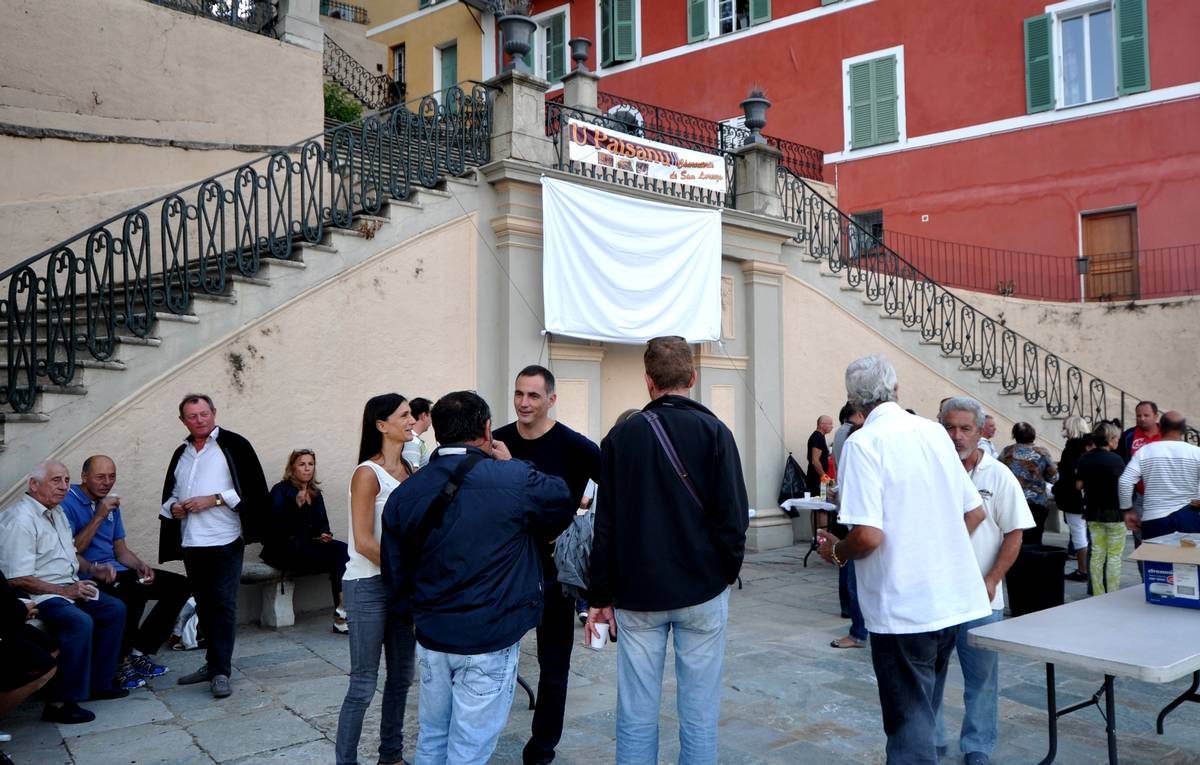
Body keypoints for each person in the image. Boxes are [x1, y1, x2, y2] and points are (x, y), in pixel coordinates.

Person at [381, 390, 575, 765]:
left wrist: (416, 616)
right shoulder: (514, 477)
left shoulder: (406, 493)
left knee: (433, 738)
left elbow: (395, 571)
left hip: (435, 635)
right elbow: (561, 498)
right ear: (487, 429)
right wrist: (512, 460)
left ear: (438, 433)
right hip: (489, 635)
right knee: (469, 749)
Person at [817, 355, 991, 765]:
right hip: (949, 598)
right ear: (896, 390)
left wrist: (837, 552)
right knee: (924, 708)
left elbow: (868, 535)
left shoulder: (864, 443)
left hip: (904, 607)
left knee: (908, 722)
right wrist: (934, 547)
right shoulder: (933, 433)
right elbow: (974, 512)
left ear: (854, 402)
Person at [588, 336, 749, 765]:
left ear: (647, 381)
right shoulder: (715, 431)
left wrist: (599, 596)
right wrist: (724, 572)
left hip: (638, 593)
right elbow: (734, 518)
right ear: (692, 378)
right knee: (699, 711)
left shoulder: (621, 437)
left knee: (636, 711)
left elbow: (604, 527)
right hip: (701, 588)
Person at [492, 364, 601, 765]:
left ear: (551, 399)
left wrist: (592, 541)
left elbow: (620, 487)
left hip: (554, 571)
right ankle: (481, 736)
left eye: (533, 395)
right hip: (505, 570)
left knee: (554, 665)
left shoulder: (575, 446)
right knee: (494, 659)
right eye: (519, 394)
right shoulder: (497, 440)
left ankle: (541, 749)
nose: (523, 402)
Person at [935, 397, 1034, 765]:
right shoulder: (932, 471)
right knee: (931, 677)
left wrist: (993, 579)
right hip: (936, 599)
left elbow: (1014, 534)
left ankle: (977, 745)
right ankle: (931, 741)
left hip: (980, 599)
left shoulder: (998, 475)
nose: (957, 436)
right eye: (950, 427)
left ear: (981, 432)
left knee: (982, 680)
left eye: (966, 429)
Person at [0, 460, 128, 724]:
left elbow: (70, 554)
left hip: (66, 587)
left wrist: (94, 568)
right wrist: (66, 591)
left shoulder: (56, 512)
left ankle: (99, 683)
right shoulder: (20, 520)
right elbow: (17, 579)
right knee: (79, 622)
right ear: (34, 485)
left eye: (67, 480)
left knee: (114, 608)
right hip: (40, 595)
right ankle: (60, 702)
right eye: (55, 480)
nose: (63, 486)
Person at [160, 393, 269, 700]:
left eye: (204, 414)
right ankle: (211, 664)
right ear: (183, 420)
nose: (200, 420)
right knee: (205, 606)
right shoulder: (181, 453)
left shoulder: (234, 446)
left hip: (224, 540)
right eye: (192, 416)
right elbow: (169, 496)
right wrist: (174, 508)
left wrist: (215, 499)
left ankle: (221, 672)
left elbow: (254, 492)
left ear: (214, 413)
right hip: (191, 542)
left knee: (222, 606)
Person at [61, 455, 191, 688]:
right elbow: (71, 550)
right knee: (133, 593)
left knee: (179, 586)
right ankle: (119, 663)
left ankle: (138, 652)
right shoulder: (67, 503)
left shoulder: (109, 502)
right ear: (84, 477)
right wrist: (99, 515)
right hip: (90, 574)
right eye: (100, 477)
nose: (107, 482)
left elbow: (120, 550)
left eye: (112, 477)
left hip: (119, 570)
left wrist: (141, 565)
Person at [336, 394, 417, 765]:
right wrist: (406, 573)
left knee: (401, 678)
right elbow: (365, 541)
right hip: (367, 585)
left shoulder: (412, 471)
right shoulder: (366, 473)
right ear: (382, 425)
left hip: (400, 586)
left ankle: (391, 756)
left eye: (411, 413)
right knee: (363, 684)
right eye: (404, 414)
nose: (412, 419)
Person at [260, 449, 350, 634]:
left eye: (310, 464)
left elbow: (323, 525)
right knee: (337, 557)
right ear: (292, 468)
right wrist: (296, 507)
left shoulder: (315, 493)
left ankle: (342, 611)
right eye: (302, 464)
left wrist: (325, 534)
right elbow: (272, 528)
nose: (307, 468)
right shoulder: (281, 490)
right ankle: (342, 617)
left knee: (346, 552)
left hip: (309, 546)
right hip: (283, 549)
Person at [1119, 411, 1200, 540]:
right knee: (1194, 557)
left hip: (1155, 518)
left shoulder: (1145, 451)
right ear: (1184, 430)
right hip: (1190, 516)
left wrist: (1127, 510)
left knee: (1156, 558)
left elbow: (1125, 481)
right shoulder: (1196, 452)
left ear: (1160, 427)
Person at [0, 568, 59, 741]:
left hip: (9, 618)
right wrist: (19, 610)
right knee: (44, 666)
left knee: (50, 648)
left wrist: (22, 605)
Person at [1076, 422, 1128, 594]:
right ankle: (1112, 592)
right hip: (1114, 512)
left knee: (1097, 554)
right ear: (1111, 439)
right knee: (1114, 555)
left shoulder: (1085, 458)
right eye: (1117, 439)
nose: (1118, 442)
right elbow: (1124, 486)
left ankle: (1097, 593)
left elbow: (1078, 485)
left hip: (1092, 511)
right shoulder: (1116, 460)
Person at [831, 401, 867, 647]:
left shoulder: (847, 434)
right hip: (857, 516)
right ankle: (858, 629)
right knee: (853, 573)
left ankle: (859, 629)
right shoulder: (851, 435)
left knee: (854, 572)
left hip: (856, 515)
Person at [999, 423, 1057, 545]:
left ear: (1014, 435)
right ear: (1033, 435)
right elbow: (1053, 477)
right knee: (1035, 538)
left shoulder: (1007, 452)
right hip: (1037, 501)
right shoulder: (1042, 452)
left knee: (1013, 536)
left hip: (1012, 500)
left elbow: (998, 473)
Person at [1053, 416, 1091, 581]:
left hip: (1074, 498)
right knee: (1085, 534)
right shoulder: (1087, 447)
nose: (1063, 429)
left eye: (1065, 426)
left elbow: (1068, 477)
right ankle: (1087, 570)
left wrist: (1056, 489)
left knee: (1078, 534)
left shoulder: (1073, 448)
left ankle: (1083, 570)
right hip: (1089, 497)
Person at [402, 397, 434, 469]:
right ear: (423, 416)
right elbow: (411, 474)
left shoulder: (414, 440)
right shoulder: (411, 441)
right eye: (431, 414)